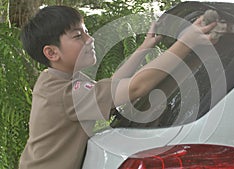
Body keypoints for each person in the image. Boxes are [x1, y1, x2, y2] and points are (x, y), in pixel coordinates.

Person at [18, 5, 217, 169]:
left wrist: (143, 49)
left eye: (86, 32)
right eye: (78, 36)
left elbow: (113, 86)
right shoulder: (66, 92)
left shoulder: (57, 80)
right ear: (52, 53)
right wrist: (185, 44)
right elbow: (134, 89)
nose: (90, 39)